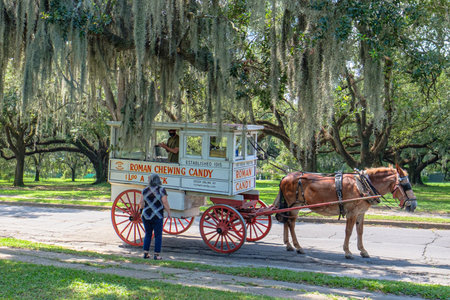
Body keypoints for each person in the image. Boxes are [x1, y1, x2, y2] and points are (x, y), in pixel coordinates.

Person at [139, 174, 171, 260]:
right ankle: (156, 255)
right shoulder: (162, 190)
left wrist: (140, 211)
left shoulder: (145, 190)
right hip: (158, 215)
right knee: (158, 235)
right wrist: (169, 211)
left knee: (148, 234)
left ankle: (146, 253)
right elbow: (164, 201)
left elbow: (141, 202)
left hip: (146, 215)